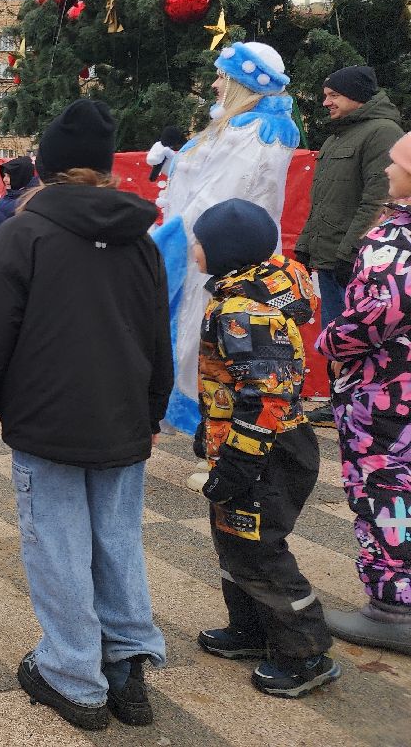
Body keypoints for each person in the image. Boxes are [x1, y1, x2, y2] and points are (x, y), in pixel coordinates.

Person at [0, 99, 171, 732]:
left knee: (58, 546)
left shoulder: (22, 233)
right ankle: (125, 670)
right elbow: (155, 333)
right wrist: (152, 412)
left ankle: (75, 676)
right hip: (123, 416)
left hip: (48, 421)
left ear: (46, 167)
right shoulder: (141, 240)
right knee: (116, 541)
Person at [189, 198, 339, 697]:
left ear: (223, 252)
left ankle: (305, 654)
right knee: (234, 540)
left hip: (267, 451)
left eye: (199, 241)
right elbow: (235, 384)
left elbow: (267, 395)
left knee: (259, 548)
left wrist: (238, 460)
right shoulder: (244, 296)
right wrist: (210, 428)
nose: (193, 248)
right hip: (247, 442)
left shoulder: (243, 313)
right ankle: (252, 630)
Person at [154, 42, 299, 434]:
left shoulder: (253, 131)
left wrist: (169, 237)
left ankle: (221, 438)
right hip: (213, 252)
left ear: (240, 81)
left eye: (222, 76)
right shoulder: (238, 126)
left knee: (217, 347)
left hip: (223, 256)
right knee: (206, 342)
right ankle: (212, 434)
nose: (215, 84)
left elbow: (218, 198)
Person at [316, 131, 411, 656]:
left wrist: (330, 340)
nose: (386, 172)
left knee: (382, 487)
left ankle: (392, 607)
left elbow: (376, 315)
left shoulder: (395, 241)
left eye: (396, 164)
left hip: (383, 392)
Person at [296, 65, 404, 425]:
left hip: (354, 261)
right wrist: (308, 244)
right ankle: (339, 396)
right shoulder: (337, 137)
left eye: (333, 95)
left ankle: (362, 401)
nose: (326, 102)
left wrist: (352, 251)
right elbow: (324, 199)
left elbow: (376, 200)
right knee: (336, 332)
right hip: (330, 257)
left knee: (358, 336)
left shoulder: (382, 132)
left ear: (356, 95)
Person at [0, 156, 38, 245]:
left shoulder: (28, 201)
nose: (4, 179)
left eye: (9, 176)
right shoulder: (10, 197)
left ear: (20, 176)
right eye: (4, 175)